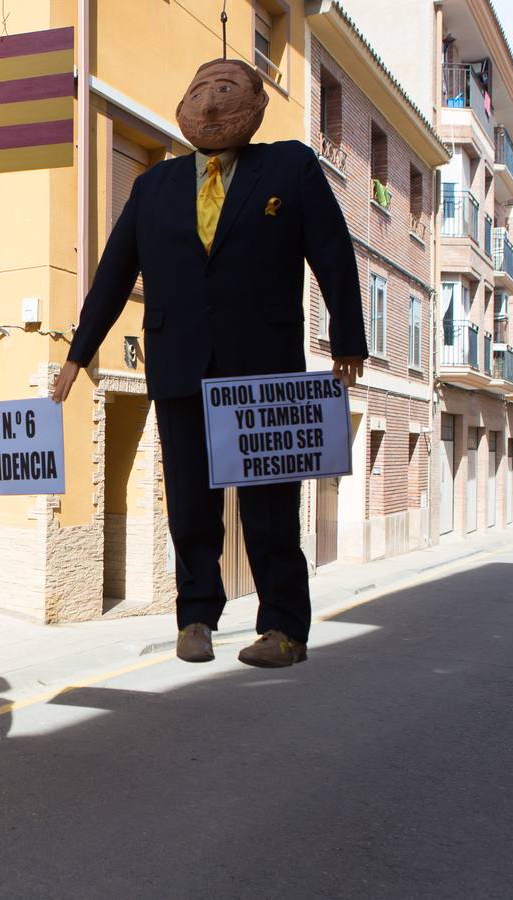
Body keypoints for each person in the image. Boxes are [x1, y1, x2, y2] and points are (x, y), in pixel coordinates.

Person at [52, 59, 368, 667]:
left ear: (256, 104)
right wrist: (78, 353)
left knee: (269, 504)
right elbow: (114, 273)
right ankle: (195, 616)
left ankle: (283, 629)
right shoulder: (153, 186)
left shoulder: (290, 166)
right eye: (199, 90)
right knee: (189, 501)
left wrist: (349, 340)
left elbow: (331, 251)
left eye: (227, 89)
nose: (211, 103)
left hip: (262, 369)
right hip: (178, 363)